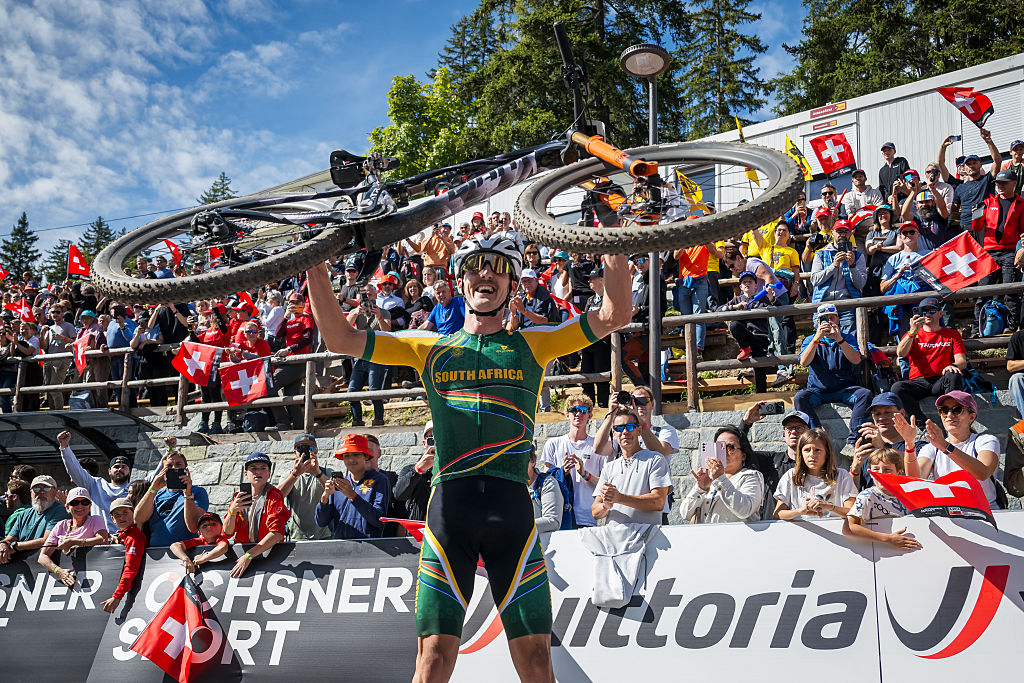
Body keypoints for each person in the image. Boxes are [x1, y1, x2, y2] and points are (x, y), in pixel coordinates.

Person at [306, 232, 630, 683]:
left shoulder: (533, 344)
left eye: (498, 268)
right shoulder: (429, 347)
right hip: (449, 516)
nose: (486, 275)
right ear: (459, 281)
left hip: (511, 513)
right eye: (476, 266)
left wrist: (614, 233)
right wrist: (314, 262)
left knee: (537, 662)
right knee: (433, 659)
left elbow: (617, 314)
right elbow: (339, 337)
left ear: (513, 284)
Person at [908, 391, 1001, 509]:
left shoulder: (986, 441)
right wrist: (909, 444)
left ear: (971, 417)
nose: (949, 415)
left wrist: (946, 447)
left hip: (985, 514)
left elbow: (982, 472)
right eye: (944, 410)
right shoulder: (932, 448)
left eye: (957, 409)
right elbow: (915, 481)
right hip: (949, 518)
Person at [794, 303, 871, 446]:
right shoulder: (810, 340)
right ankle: (816, 438)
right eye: (824, 319)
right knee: (800, 397)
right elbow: (804, 362)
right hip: (818, 391)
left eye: (832, 318)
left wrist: (839, 339)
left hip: (844, 390)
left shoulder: (847, 338)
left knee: (864, 394)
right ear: (818, 322)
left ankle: (854, 440)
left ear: (838, 319)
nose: (829, 322)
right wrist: (817, 338)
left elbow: (856, 360)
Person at [592, 407, 673, 525]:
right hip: (614, 539)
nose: (625, 431)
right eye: (619, 428)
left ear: (639, 431)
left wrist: (619, 498)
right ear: (614, 433)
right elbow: (595, 511)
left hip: (647, 539)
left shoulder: (655, 459)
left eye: (630, 427)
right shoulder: (609, 467)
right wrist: (606, 505)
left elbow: (658, 501)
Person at [891, 297, 967, 424]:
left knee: (954, 375)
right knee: (897, 387)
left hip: (941, 379)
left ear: (940, 313)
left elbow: (962, 361)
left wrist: (953, 365)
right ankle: (923, 424)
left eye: (931, 310)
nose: (927, 314)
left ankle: (953, 418)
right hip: (918, 382)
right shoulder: (913, 334)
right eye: (923, 311)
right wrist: (912, 332)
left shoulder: (952, 334)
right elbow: (900, 353)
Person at [540, 395, 609, 528]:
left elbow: (605, 485)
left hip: (586, 517)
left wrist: (585, 474)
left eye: (583, 410)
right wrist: (563, 472)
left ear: (590, 416)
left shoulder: (597, 446)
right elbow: (545, 482)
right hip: (559, 515)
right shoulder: (553, 443)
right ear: (567, 415)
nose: (578, 413)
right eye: (574, 410)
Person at [973, 168, 1024, 331]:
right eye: (997, 183)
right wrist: (976, 215)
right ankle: (978, 328)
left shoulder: (1022, 204)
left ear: (1014, 184)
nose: (1000, 186)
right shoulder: (987, 203)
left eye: (1004, 183)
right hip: (989, 252)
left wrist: (1020, 251)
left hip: (1011, 252)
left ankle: (1011, 326)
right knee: (983, 291)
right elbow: (977, 226)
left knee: (1010, 291)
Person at [224, 452, 290, 577]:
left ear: (269, 473)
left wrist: (249, 555)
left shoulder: (274, 496)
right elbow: (227, 533)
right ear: (245, 474)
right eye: (253, 468)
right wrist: (232, 512)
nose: (258, 472)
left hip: (269, 557)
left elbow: (276, 534)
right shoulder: (238, 498)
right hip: (243, 558)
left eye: (263, 468)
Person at [680, 426, 765, 523]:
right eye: (719, 448)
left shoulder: (751, 476)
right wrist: (700, 489)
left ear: (743, 455)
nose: (723, 452)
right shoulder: (709, 479)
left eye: (730, 448)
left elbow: (745, 510)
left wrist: (720, 478)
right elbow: (685, 513)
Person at [842, 448, 920, 551]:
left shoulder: (909, 495)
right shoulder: (867, 496)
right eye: (875, 470)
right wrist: (888, 539)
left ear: (899, 472)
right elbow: (848, 528)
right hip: (878, 556)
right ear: (870, 473)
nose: (881, 474)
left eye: (887, 470)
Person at [315, 434, 391, 540]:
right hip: (341, 549)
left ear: (366, 456)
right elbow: (321, 522)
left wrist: (353, 496)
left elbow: (379, 520)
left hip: (371, 550)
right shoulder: (339, 484)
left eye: (356, 454)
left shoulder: (380, 480)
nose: (351, 460)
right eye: (346, 456)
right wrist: (324, 499)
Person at [774, 429, 858, 520]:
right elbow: (777, 514)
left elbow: (853, 513)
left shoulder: (842, 475)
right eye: (807, 450)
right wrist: (801, 511)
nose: (812, 455)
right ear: (801, 454)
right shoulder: (791, 475)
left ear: (827, 453)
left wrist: (829, 507)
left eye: (817, 450)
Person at [57, 429, 131, 533]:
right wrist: (64, 447)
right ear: (109, 471)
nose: (120, 469)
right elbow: (75, 470)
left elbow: (156, 477)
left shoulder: (135, 487)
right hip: (100, 539)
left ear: (129, 471)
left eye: (124, 467)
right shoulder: (96, 484)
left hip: (129, 538)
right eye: (116, 466)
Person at [133, 450, 209, 546]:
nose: (174, 468)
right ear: (163, 471)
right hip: (157, 553)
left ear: (186, 469)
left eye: (178, 464)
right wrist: (153, 488)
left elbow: (194, 526)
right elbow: (138, 518)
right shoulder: (156, 495)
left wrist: (187, 493)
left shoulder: (197, 492)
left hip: (186, 551)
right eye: (169, 466)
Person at [36, 487, 109, 585]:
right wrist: (59, 571)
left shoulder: (96, 520)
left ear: (90, 506)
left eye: (84, 502)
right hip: (67, 582)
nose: (80, 506)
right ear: (67, 508)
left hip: (95, 578)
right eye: (74, 503)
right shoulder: (60, 525)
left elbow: (103, 540)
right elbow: (42, 556)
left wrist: (74, 542)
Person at [347, 283, 392, 427]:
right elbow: (345, 328)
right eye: (365, 294)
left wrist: (379, 317)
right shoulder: (357, 312)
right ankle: (357, 420)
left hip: (377, 355)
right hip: (361, 355)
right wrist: (355, 312)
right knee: (351, 392)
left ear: (376, 295)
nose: (367, 297)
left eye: (370, 294)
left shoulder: (384, 312)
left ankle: (378, 421)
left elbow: (388, 332)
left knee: (374, 392)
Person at [809, 220, 866, 335]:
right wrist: (833, 266)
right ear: (832, 233)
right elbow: (814, 280)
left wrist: (852, 266)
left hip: (847, 305)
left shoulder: (858, 256)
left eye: (846, 231)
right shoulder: (821, 254)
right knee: (824, 341)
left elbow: (860, 284)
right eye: (839, 231)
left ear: (851, 234)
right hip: (823, 304)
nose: (842, 234)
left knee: (849, 341)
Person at [0, 475, 70, 563]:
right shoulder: (24, 514)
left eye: (46, 488)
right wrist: (4, 544)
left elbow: (47, 540)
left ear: (55, 492)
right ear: (31, 492)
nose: (41, 492)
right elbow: (10, 538)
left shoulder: (61, 510)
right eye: (36, 489)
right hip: (22, 569)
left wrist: (15, 546)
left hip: (48, 567)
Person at [272, 291, 315, 431]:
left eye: (297, 302)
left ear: (303, 304)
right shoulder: (289, 321)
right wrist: (285, 317)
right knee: (290, 397)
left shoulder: (306, 318)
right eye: (291, 302)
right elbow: (278, 334)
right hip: (290, 361)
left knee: (269, 386)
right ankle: (298, 427)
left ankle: (283, 422)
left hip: (298, 361)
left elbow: (308, 338)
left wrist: (289, 349)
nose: (294, 305)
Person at [276, 433, 333, 540]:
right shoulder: (288, 475)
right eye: (300, 449)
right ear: (294, 453)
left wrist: (317, 472)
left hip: (323, 536)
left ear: (316, 451)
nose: (305, 452)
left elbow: (337, 495)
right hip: (295, 537)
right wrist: (295, 474)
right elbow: (277, 496)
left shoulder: (327, 473)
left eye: (309, 448)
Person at [880, 222, 932, 338]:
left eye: (912, 232)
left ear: (918, 235)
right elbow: (883, 288)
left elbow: (939, 280)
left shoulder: (929, 255)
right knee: (905, 339)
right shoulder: (893, 259)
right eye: (905, 232)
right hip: (901, 306)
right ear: (900, 237)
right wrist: (898, 275)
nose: (908, 235)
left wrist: (924, 275)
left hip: (924, 304)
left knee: (926, 338)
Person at [102, 497, 147, 613]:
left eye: (125, 512)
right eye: (117, 515)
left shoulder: (135, 536)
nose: (121, 517)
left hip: (137, 592)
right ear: (112, 519)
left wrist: (117, 596)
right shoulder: (123, 535)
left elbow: (131, 568)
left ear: (133, 513)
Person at [716, 270, 773, 361]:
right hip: (745, 338)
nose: (747, 284)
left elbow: (778, 308)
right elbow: (718, 311)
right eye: (744, 282)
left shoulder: (762, 298)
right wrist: (735, 307)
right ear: (740, 286)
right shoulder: (737, 300)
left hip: (761, 337)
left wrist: (771, 298)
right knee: (734, 325)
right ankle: (745, 349)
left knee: (760, 371)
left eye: (750, 282)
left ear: (756, 285)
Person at [579, 266, 611, 408]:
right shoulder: (590, 299)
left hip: (603, 343)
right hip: (588, 343)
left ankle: (603, 407)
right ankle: (587, 407)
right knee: (585, 377)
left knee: (602, 378)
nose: (589, 281)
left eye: (593, 278)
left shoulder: (610, 299)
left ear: (602, 280)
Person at [394, 422, 435, 522]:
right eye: (431, 439)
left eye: (439, 437)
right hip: (420, 530)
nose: (435, 442)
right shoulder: (409, 469)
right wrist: (417, 470)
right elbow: (399, 494)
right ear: (424, 444)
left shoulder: (455, 470)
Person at [528, 447, 564, 533]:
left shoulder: (547, 483)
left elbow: (553, 521)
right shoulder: (509, 485)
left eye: (521, 461)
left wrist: (520, 527)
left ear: (533, 461)